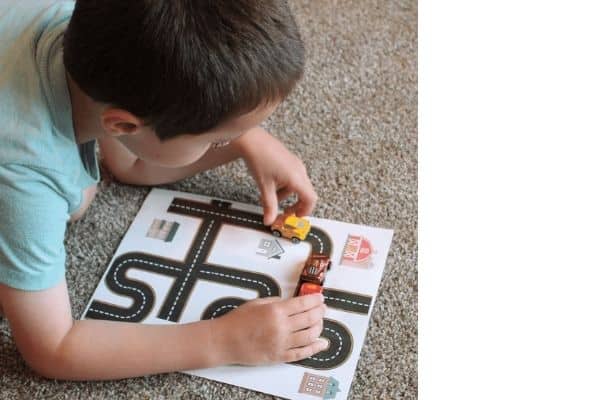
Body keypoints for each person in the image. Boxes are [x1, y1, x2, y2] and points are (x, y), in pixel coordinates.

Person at [0, 0, 327, 380]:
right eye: (219, 138)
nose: (230, 141)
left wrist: (245, 143)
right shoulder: (26, 172)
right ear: (122, 126)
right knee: (74, 199)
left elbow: (132, 165)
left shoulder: (95, 30)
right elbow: (53, 348)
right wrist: (224, 340)